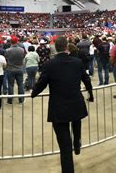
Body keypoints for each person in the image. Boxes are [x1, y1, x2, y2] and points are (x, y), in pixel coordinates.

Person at [31, 36, 93, 173]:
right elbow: (86, 79)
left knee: (65, 147)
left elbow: (41, 83)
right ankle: (76, 143)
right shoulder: (77, 62)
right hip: (76, 102)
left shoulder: (49, 64)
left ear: (55, 48)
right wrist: (90, 93)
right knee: (76, 122)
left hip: (59, 107)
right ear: (66, 47)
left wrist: (33, 93)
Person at [5, 36, 26, 104]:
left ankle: (10, 100)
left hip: (10, 69)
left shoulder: (7, 50)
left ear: (11, 42)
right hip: (19, 68)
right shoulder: (22, 50)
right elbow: (23, 57)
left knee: (11, 85)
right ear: (17, 42)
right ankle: (21, 99)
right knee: (20, 84)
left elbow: (6, 59)